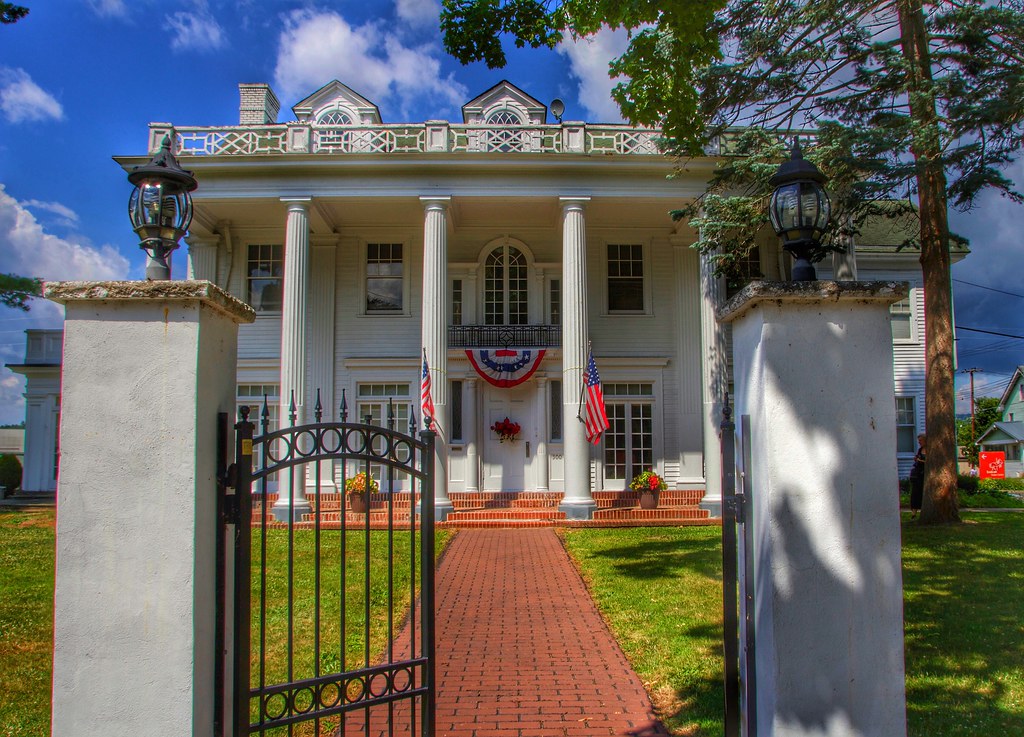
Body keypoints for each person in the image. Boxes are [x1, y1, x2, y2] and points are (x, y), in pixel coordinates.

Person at [909, 433, 926, 519]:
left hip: (925, 475)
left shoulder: (930, 450)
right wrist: (917, 459)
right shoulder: (920, 450)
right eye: (918, 441)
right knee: (915, 493)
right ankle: (914, 512)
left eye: (921, 441)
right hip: (918, 474)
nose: (919, 442)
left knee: (923, 493)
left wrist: (921, 460)